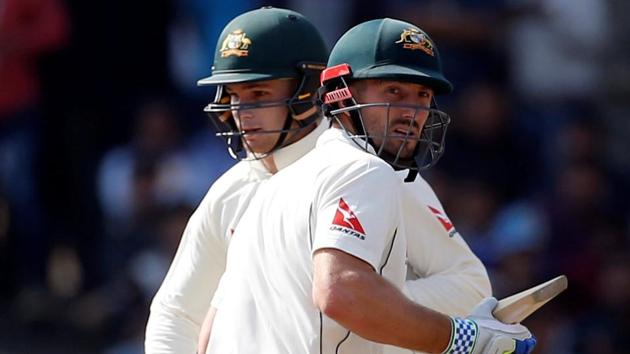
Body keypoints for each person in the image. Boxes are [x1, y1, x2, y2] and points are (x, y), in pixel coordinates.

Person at [204, 19, 536, 354]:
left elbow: (208, 334)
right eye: (394, 92)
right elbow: (342, 292)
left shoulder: (270, 191)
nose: (412, 112)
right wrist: (464, 339)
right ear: (342, 95)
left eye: (422, 95)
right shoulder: (364, 170)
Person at [144, 7, 329, 353]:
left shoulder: (360, 172)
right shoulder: (232, 191)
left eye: (258, 93)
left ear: (307, 88)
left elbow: (463, 283)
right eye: (233, 94)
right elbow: (176, 312)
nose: (240, 111)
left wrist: (378, 307)